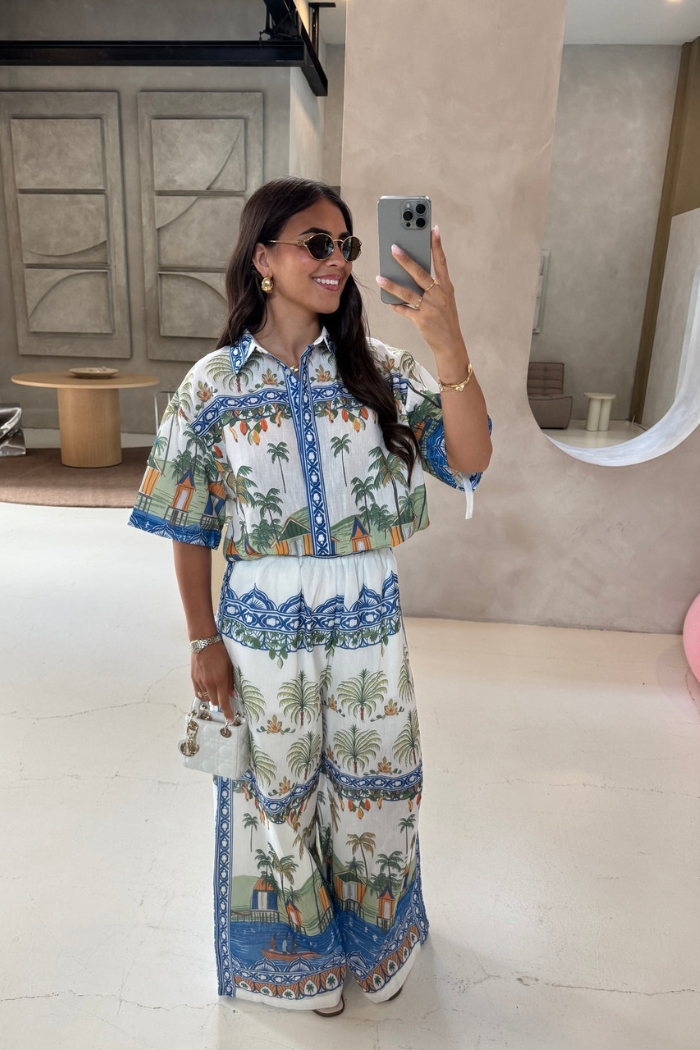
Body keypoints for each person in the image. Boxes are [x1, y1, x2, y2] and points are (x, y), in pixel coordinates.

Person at [128, 175, 492, 1016]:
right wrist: (200, 641)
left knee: (380, 780)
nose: (336, 261)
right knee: (279, 787)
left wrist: (449, 342)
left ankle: (378, 933)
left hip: (368, 620)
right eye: (315, 244)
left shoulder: (382, 369)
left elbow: (470, 461)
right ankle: (298, 947)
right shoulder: (212, 387)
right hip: (261, 627)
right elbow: (189, 522)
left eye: (346, 247)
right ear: (264, 258)